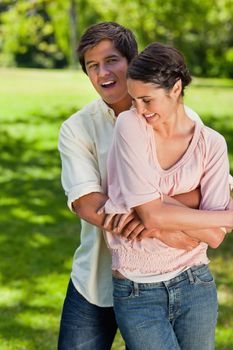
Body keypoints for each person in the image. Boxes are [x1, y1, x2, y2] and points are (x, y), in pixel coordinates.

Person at [58, 22, 218, 349]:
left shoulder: (180, 120)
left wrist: (155, 213)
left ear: (132, 61)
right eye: (93, 65)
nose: (103, 72)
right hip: (97, 279)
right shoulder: (77, 129)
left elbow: (204, 195)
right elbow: (87, 203)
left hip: (172, 273)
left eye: (112, 60)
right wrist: (159, 226)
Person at [102, 42, 233, 350]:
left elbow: (214, 236)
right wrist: (223, 214)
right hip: (137, 288)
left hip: (195, 282)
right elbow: (151, 215)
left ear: (175, 89)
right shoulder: (130, 125)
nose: (140, 110)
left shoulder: (211, 144)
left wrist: (156, 200)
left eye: (147, 99)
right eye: (134, 100)